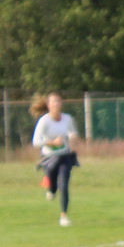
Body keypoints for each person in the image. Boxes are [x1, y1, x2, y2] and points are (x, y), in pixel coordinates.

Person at [31, 90, 81, 227]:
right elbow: (35, 142)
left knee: (64, 185)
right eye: (54, 101)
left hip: (64, 156)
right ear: (48, 105)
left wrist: (73, 137)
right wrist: (52, 143)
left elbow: (72, 133)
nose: (57, 104)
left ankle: (64, 216)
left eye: (59, 101)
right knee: (53, 187)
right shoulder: (44, 121)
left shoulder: (67, 119)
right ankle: (50, 189)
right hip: (49, 158)